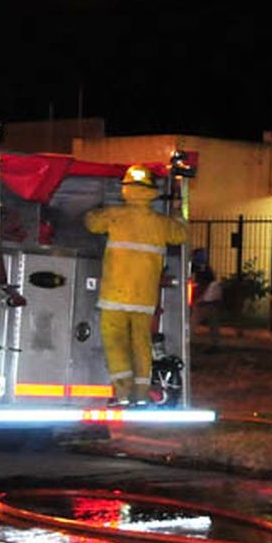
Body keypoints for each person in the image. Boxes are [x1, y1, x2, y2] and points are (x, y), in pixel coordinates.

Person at [84, 165, 188, 403]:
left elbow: (90, 223)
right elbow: (181, 234)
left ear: (126, 190)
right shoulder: (160, 223)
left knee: (115, 343)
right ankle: (141, 396)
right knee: (141, 344)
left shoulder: (114, 216)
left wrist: (94, 209)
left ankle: (122, 394)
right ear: (151, 192)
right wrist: (177, 211)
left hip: (114, 296)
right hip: (144, 298)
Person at [190, 250, 223, 349]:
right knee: (213, 324)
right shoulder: (206, 269)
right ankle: (216, 344)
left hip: (204, 301)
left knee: (193, 323)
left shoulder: (201, 270)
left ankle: (187, 342)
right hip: (209, 301)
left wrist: (198, 299)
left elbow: (203, 286)